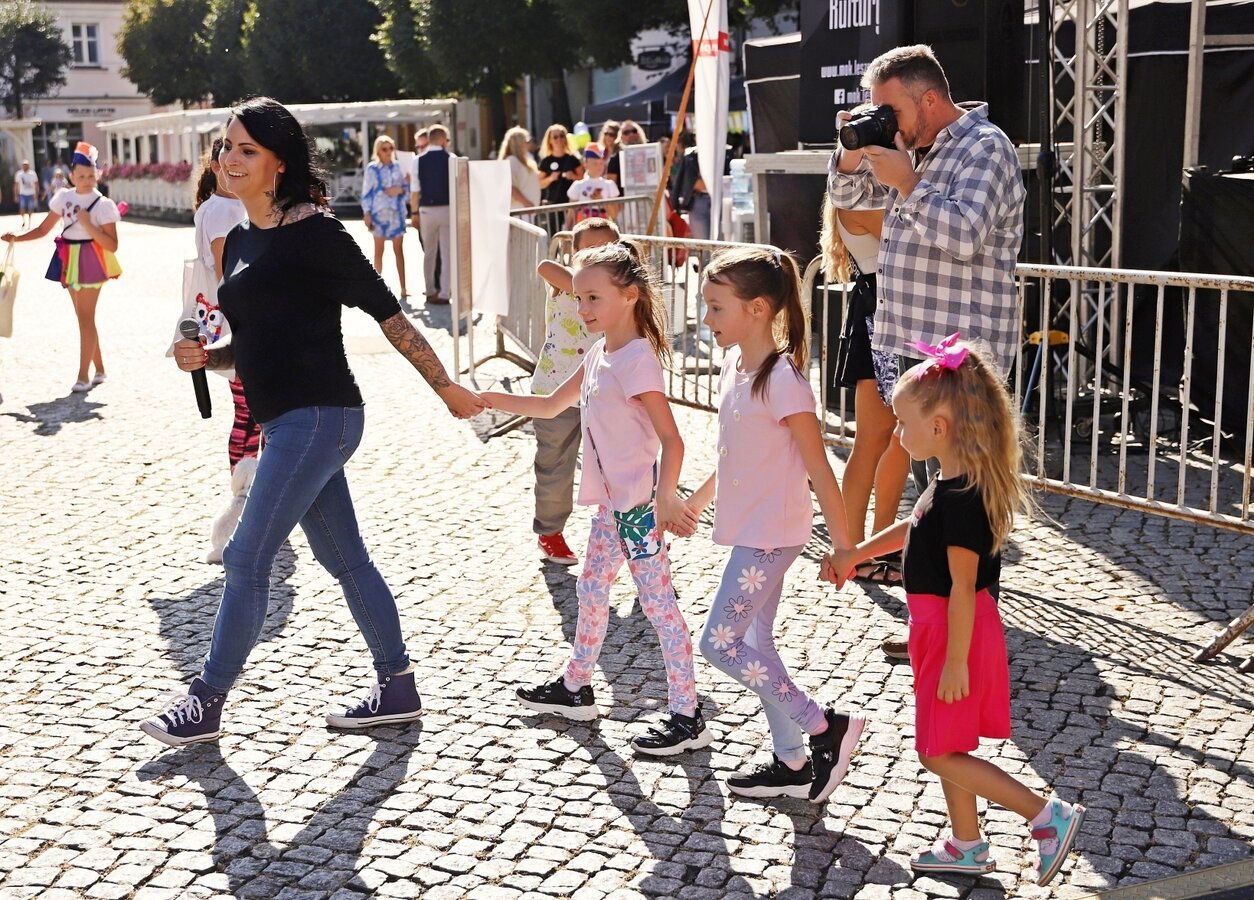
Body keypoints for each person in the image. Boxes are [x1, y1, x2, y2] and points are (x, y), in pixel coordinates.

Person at [142, 96, 486, 748]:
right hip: (287, 425)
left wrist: (446, 387)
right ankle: (398, 686)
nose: (229, 158)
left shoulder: (317, 234)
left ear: (279, 164)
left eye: (247, 149)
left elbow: (389, 314)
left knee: (246, 555)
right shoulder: (239, 242)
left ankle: (206, 701)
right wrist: (207, 357)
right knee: (344, 557)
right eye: (226, 146)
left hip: (321, 417)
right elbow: (250, 344)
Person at [826, 338, 1085, 887]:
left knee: (938, 754)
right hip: (936, 629)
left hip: (953, 631)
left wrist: (956, 662)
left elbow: (965, 588)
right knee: (947, 742)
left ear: (939, 427)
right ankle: (967, 845)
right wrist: (856, 554)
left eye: (903, 424)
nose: (897, 433)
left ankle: (1046, 815)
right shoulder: (949, 481)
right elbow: (914, 527)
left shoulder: (965, 497)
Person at [828, 43, 1025, 659]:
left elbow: (965, 235)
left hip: (962, 359)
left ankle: (968, 639)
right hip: (910, 346)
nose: (884, 119)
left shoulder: (986, 148)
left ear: (930, 98)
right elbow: (847, 198)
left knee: (967, 499)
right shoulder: (910, 149)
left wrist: (908, 184)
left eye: (890, 108)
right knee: (935, 497)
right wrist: (852, 148)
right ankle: (936, 627)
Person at [480, 241, 709, 756]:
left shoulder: (637, 361)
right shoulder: (600, 352)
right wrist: (488, 399)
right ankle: (576, 687)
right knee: (590, 587)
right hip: (612, 508)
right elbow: (549, 404)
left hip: (639, 511)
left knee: (660, 609)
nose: (582, 309)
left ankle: (688, 715)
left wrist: (666, 500)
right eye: (578, 298)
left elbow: (673, 440)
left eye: (592, 298)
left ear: (629, 296)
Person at [680, 246, 864, 803]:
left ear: (757, 309)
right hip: (753, 529)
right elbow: (733, 453)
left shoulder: (784, 380)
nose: (706, 318)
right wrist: (698, 502)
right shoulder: (736, 367)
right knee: (757, 643)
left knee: (719, 643)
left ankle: (824, 725)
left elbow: (819, 468)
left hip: (772, 536)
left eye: (716, 308)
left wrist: (845, 548)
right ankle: (791, 762)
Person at [820, 192, 910, 585]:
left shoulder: (866, 198)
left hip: (885, 313)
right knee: (886, 439)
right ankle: (865, 549)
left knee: (888, 440)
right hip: (883, 315)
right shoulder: (858, 200)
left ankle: (863, 549)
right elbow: (911, 238)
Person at [181, 138, 256, 563]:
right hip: (234, 323)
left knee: (249, 412)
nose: (235, 163)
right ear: (215, 166)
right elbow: (232, 273)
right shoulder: (224, 211)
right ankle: (245, 500)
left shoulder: (216, 206)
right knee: (250, 413)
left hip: (226, 321)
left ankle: (249, 497)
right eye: (228, 157)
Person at [530, 217, 620, 566]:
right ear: (573, 251)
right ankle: (549, 532)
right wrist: (592, 283)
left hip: (604, 390)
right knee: (554, 465)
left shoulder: (621, 289)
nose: (598, 255)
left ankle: (634, 533)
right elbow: (543, 266)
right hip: (554, 389)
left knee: (620, 465)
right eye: (590, 249)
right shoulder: (562, 278)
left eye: (606, 249)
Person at [3, 142, 121, 393]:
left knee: (85, 318)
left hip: (92, 259)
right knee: (84, 318)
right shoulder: (64, 198)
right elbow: (43, 229)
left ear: (97, 175)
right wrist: (16, 238)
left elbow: (112, 245)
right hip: (68, 258)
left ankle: (83, 375)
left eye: (91, 176)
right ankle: (100, 369)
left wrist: (88, 225)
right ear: (72, 176)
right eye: (81, 176)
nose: (87, 180)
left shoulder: (103, 204)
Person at [361, 135, 410, 298]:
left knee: (399, 251)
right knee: (378, 252)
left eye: (391, 148)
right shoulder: (372, 169)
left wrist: (400, 190)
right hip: (379, 215)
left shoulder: (400, 167)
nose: (388, 151)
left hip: (397, 214)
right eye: (384, 149)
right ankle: (377, 290)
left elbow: (409, 191)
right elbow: (366, 193)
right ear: (378, 151)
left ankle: (403, 288)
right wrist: (366, 213)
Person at [410, 123, 453, 305]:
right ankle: (444, 293)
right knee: (447, 253)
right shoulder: (452, 159)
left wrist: (414, 213)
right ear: (442, 139)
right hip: (447, 209)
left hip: (426, 210)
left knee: (429, 252)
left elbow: (415, 191)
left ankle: (429, 290)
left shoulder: (418, 161)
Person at [567, 144, 620, 226]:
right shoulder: (577, 186)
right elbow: (571, 214)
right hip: (583, 227)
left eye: (601, 163)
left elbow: (614, 214)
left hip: (603, 228)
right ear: (585, 163)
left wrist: (601, 200)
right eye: (595, 163)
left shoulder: (609, 185)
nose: (599, 167)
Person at [537, 124, 583, 209]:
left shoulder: (573, 159)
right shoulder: (546, 161)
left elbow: (583, 179)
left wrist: (573, 176)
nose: (559, 139)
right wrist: (550, 178)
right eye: (555, 137)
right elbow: (539, 183)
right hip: (553, 205)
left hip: (572, 204)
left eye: (562, 136)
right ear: (550, 140)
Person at [499, 126, 540, 210]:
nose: (529, 144)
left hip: (528, 211)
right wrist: (527, 204)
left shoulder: (527, 159)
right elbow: (511, 187)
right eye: (527, 141)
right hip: (520, 210)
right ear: (519, 143)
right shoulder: (512, 160)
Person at [606, 119, 645, 185]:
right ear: (621, 137)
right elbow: (611, 184)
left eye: (634, 131)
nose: (631, 134)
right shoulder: (616, 158)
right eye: (626, 132)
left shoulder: (649, 153)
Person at [13, 160, 40, 228]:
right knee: (22, 208)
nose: (25, 166)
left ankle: (29, 221)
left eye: (26, 165)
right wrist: (16, 195)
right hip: (22, 194)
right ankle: (23, 220)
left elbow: (36, 184)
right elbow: (16, 185)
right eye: (24, 165)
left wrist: (36, 194)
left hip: (31, 193)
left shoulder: (32, 173)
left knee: (30, 208)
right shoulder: (19, 174)